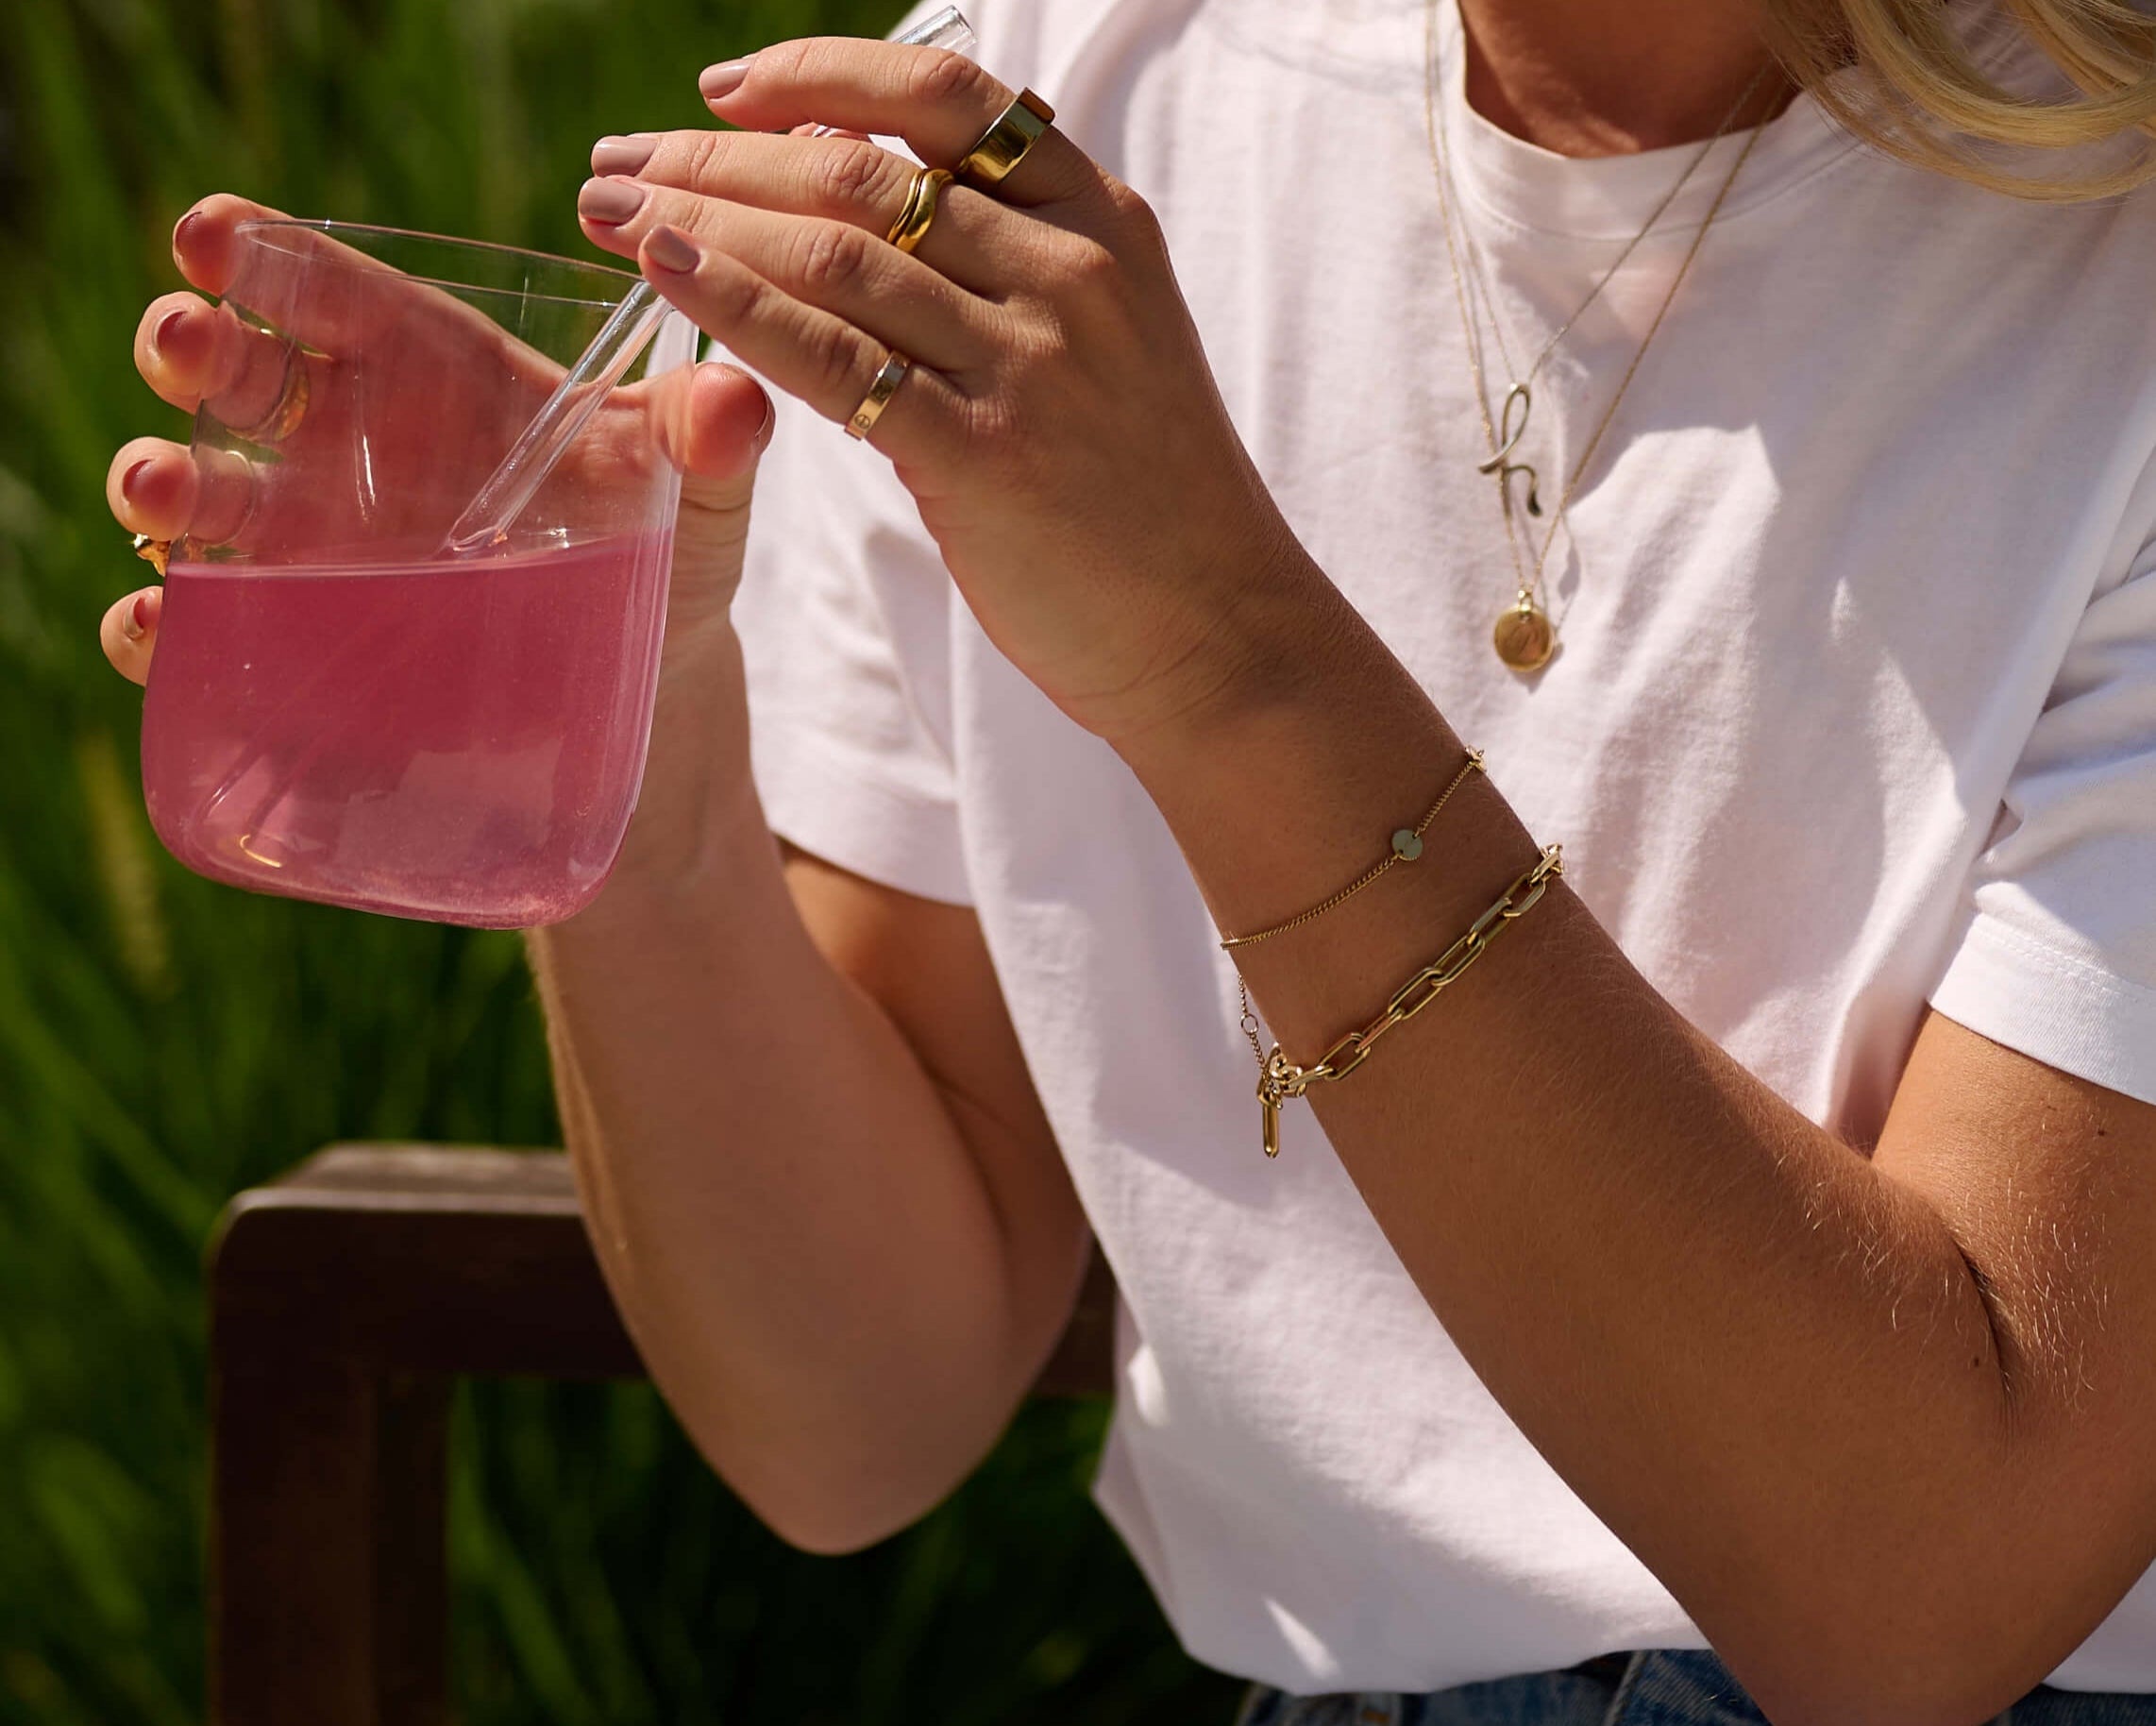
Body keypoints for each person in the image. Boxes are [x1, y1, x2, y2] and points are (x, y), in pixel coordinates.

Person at [98, 0, 2156, 1717]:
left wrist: (1222, 656)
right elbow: (855, 1411)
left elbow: (1923, 1590)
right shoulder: (1041, 106)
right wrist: (628, 765)